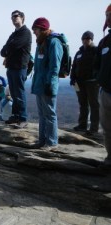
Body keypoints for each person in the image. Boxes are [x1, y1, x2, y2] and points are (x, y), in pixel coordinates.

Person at [31, 17, 63, 151]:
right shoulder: (41, 43)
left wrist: (50, 84)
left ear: (42, 29)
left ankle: (51, 142)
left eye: (36, 29)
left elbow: (55, 66)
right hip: (39, 84)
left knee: (50, 114)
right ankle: (42, 140)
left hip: (47, 85)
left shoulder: (54, 42)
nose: (34, 32)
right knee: (42, 114)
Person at [0, 10, 32, 127]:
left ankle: (23, 118)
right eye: (12, 17)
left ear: (22, 18)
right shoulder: (14, 34)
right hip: (11, 67)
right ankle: (15, 115)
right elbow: (3, 51)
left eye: (16, 16)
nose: (14, 18)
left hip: (20, 67)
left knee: (19, 93)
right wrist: (9, 48)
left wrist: (9, 47)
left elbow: (13, 46)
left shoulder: (26, 33)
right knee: (13, 93)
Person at [70, 31, 99, 135]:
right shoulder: (79, 52)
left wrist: (97, 77)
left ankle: (93, 128)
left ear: (91, 39)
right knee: (83, 104)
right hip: (79, 82)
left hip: (92, 82)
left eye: (88, 39)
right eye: (84, 39)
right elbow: (74, 66)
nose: (85, 40)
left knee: (94, 104)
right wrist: (72, 77)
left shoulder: (96, 51)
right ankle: (82, 125)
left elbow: (99, 65)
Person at [94, 4, 111, 166]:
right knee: (107, 128)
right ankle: (109, 157)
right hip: (106, 91)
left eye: (110, 15)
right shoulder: (105, 41)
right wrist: (99, 78)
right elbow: (97, 64)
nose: (108, 18)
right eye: (106, 15)